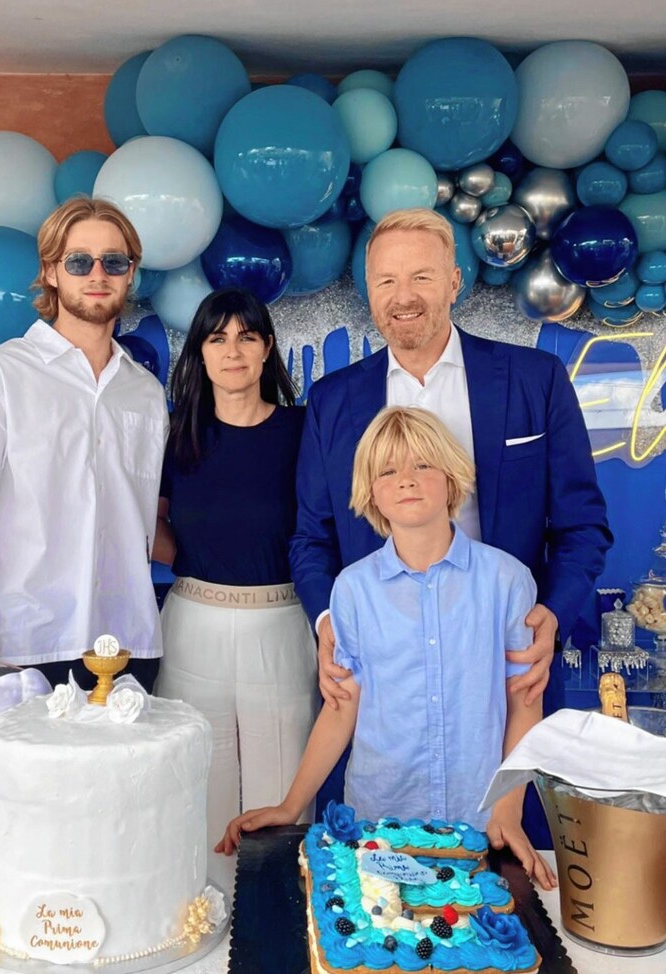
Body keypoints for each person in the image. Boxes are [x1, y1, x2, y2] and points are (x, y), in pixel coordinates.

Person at [290, 209, 612, 839]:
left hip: (495, 666)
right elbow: (311, 536)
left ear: (456, 281)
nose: (403, 297)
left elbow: (582, 525)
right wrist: (329, 623)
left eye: (421, 277)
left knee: (493, 874)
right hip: (390, 680)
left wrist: (554, 611)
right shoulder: (334, 400)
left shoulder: (534, 380)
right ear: (367, 291)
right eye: (385, 281)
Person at [219, 406, 557, 890]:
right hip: (380, 826)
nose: (407, 480)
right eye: (388, 470)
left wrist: (508, 807)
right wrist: (292, 805)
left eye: (423, 465)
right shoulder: (352, 591)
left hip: (478, 822)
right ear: (371, 493)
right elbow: (341, 706)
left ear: (452, 476)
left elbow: (525, 699)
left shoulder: (506, 580)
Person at [0, 197, 168, 692]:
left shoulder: (146, 395)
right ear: (50, 271)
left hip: (128, 644)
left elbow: (142, 521)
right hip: (24, 649)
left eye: (114, 261)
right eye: (78, 261)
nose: (97, 273)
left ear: (130, 273)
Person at [156, 287, 318, 854]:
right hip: (192, 625)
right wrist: (203, 559)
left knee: (281, 796)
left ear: (267, 347)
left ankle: (274, 930)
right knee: (198, 789)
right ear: (199, 351)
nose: (233, 350)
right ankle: (201, 924)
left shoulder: (303, 433)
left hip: (281, 624)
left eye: (247, 336)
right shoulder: (174, 436)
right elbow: (146, 523)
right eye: (217, 337)